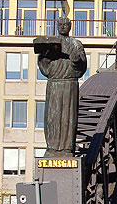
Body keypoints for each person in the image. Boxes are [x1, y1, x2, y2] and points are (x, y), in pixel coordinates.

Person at [35, 16, 87, 155]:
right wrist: (45, 55)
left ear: (70, 27)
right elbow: (43, 65)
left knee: (67, 117)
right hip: (53, 83)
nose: (63, 26)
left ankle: (66, 148)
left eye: (65, 24)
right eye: (60, 24)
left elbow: (82, 65)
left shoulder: (76, 44)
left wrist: (76, 60)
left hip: (69, 84)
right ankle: (52, 147)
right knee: (52, 117)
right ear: (57, 26)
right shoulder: (51, 42)